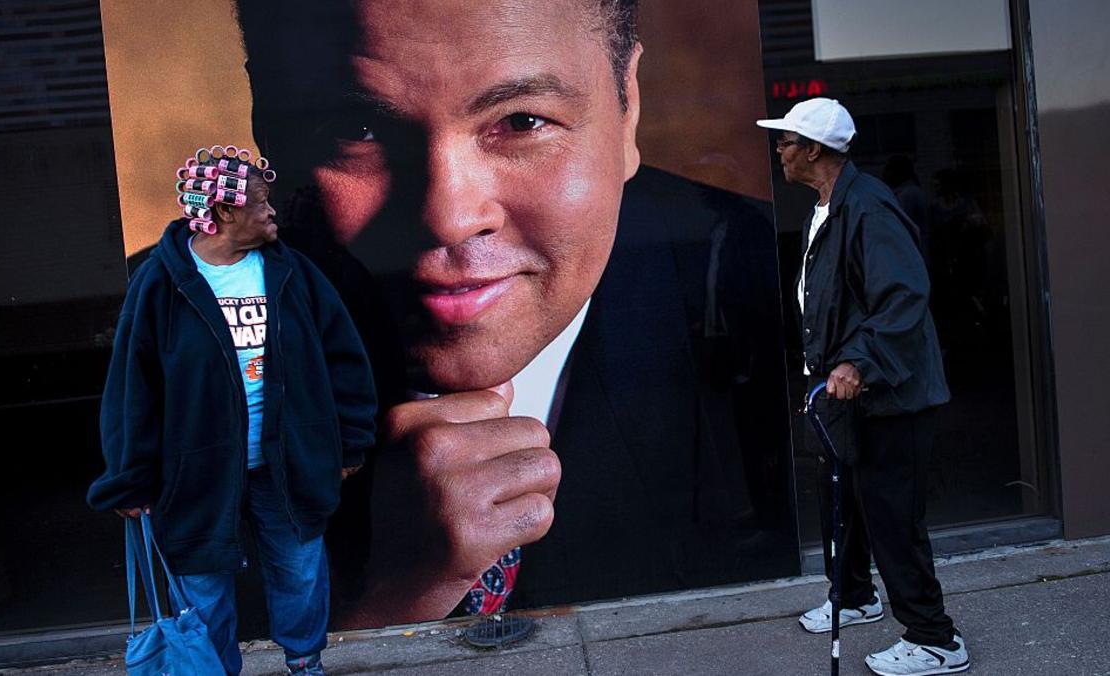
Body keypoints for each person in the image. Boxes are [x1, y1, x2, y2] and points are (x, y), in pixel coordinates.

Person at [234, 0, 796, 628]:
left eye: (523, 121)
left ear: (627, 106)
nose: (447, 217)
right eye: (357, 131)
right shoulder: (187, 322)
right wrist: (383, 607)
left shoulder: (764, 279)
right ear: (266, 126)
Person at [87, 146, 378, 675]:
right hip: (195, 471)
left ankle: (305, 663)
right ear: (223, 213)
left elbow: (345, 361)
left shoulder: (294, 274)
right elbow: (133, 388)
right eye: (261, 203)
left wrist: (350, 440)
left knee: (298, 570)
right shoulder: (160, 283)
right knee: (203, 586)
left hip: (284, 464)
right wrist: (129, 479)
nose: (273, 213)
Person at [757, 98, 969, 675]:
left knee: (893, 517)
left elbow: (903, 297)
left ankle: (936, 639)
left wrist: (858, 363)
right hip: (844, 395)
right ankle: (853, 597)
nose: (779, 150)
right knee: (843, 504)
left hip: (888, 396)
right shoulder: (824, 209)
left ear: (816, 151)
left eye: (787, 141)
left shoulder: (869, 208)